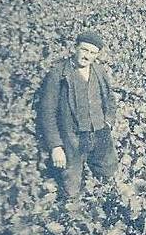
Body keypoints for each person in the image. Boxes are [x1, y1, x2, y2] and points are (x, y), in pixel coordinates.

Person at [38, 30, 119, 201]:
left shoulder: (99, 71)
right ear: (75, 48)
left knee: (108, 174)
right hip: (73, 137)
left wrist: (108, 122)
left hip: (100, 132)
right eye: (84, 50)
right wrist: (55, 146)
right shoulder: (58, 74)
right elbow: (47, 112)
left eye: (92, 52)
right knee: (71, 186)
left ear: (97, 54)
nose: (87, 56)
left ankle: (105, 208)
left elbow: (110, 99)